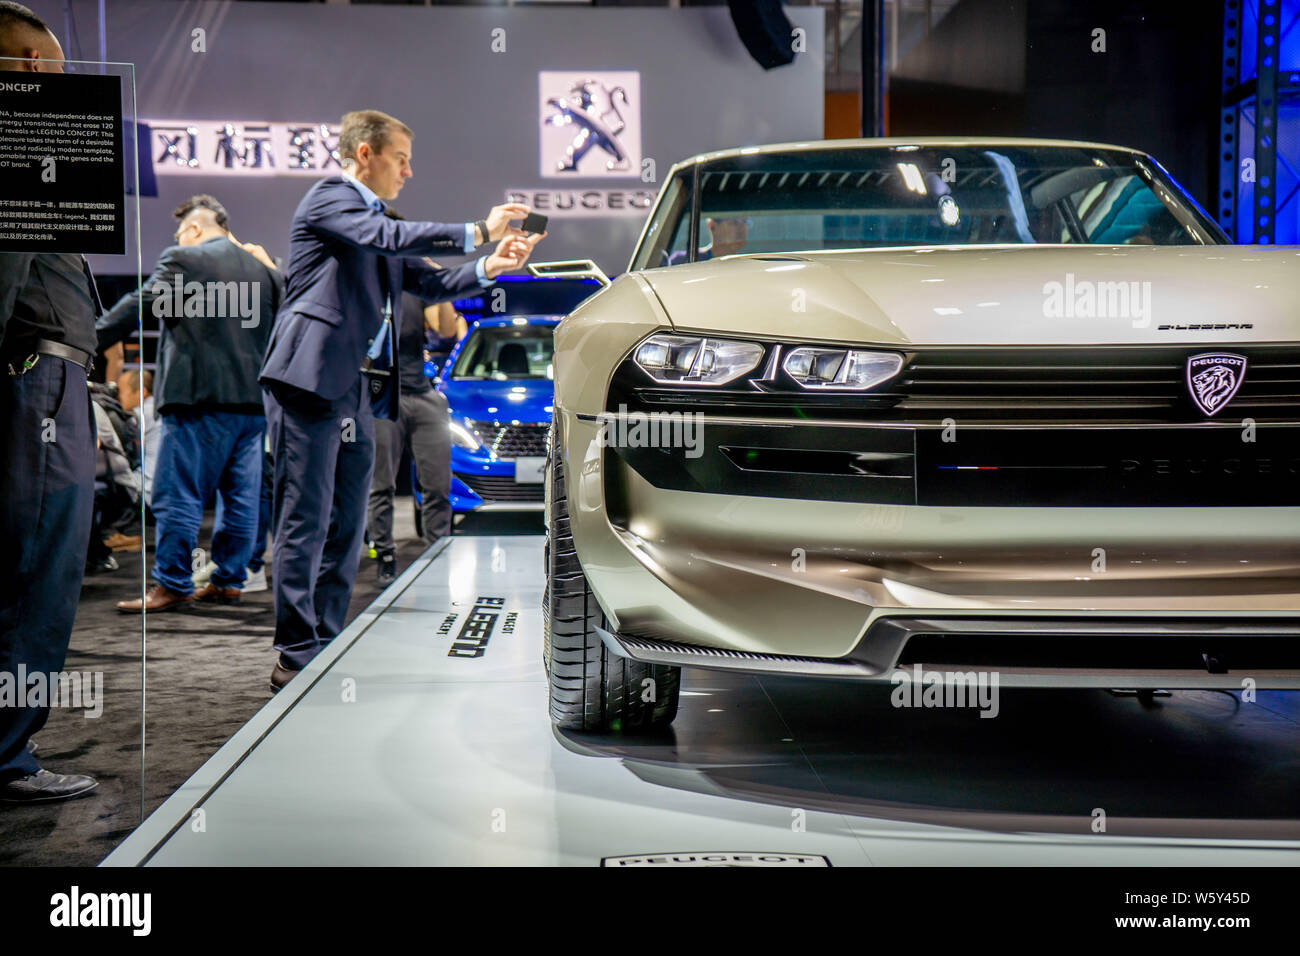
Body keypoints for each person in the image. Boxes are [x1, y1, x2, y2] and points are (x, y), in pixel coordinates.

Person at [259, 108, 543, 693]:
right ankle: (294, 651)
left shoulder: (375, 220)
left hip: (357, 388)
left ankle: (326, 639)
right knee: (305, 518)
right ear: (366, 154)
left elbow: (429, 281)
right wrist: (479, 230)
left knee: (347, 522)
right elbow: (387, 239)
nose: (409, 172)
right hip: (309, 378)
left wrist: (492, 264)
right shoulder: (331, 199)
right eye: (402, 159)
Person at [0, 1, 99, 803]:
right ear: (31, 68)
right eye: (57, 68)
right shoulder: (23, 138)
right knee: (38, 566)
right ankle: (6, 757)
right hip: (37, 380)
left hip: (41, 376)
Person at [98, 195, 283, 612]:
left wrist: (87, 339)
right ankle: (230, 581)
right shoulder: (264, 271)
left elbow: (138, 305)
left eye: (181, 232)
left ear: (195, 229)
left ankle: (173, 583)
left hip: (197, 400)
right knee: (242, 498)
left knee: (177, 493)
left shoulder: (187, 260)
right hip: (253, 405)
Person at [367, 290, 458, 582]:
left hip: (421, 391)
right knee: (381, 484)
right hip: (382, 396)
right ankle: (385, 554)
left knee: (438, 486)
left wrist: (440, 283)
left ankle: (437, 552)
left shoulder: (416, 287)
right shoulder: (372, 280)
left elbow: (446, 330)